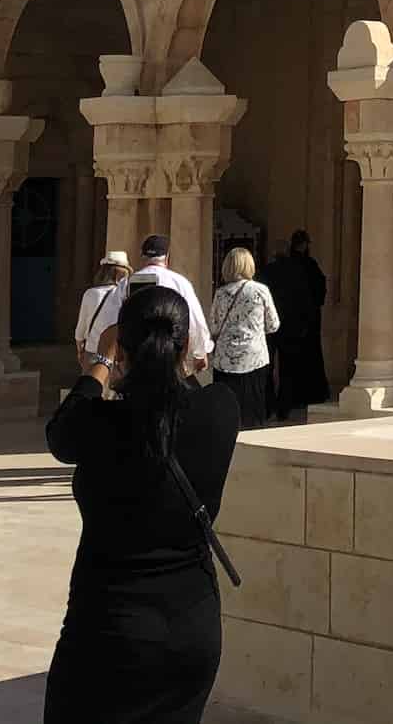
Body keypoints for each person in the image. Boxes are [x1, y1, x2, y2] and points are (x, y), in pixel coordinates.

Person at [44, 281, 241, 723]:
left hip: (108, 626)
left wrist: (102, 361)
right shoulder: (221, 410)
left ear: (123, 350)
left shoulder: (98, 425)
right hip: (191, 628)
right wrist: (167, 354)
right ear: (184, 344)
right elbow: (182, 394)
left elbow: (60, 433)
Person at [89, 233, 213, 372]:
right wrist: (200, 352)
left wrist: (100, 353)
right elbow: (195, 319)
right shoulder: (180, 282)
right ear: (167, 257)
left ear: (142, 256)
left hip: (135, 354)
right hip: (168, 353)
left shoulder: (125, 284)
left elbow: (108, 321)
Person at [260, 229, 330, 416]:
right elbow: (309, 296)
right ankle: (285, 406)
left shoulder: (266, 272)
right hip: (293, 326)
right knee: (287, 367)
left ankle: (268, 406)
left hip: (270, 327)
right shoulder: (298, 271)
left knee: (268, 366)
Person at [209, 246, 279, 427]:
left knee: (227, 413)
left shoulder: (220, 294)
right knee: (253, 412)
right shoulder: (260, 291)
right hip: (253, 358)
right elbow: (273, 324)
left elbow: (214, 326)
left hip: (224, 360)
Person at [74, 250, 129, 375]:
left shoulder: (90, 294)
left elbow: (80, 330)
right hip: (115, 355)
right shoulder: (124, 296)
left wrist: (80, 351)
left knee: (91, 392)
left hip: (92, 353)